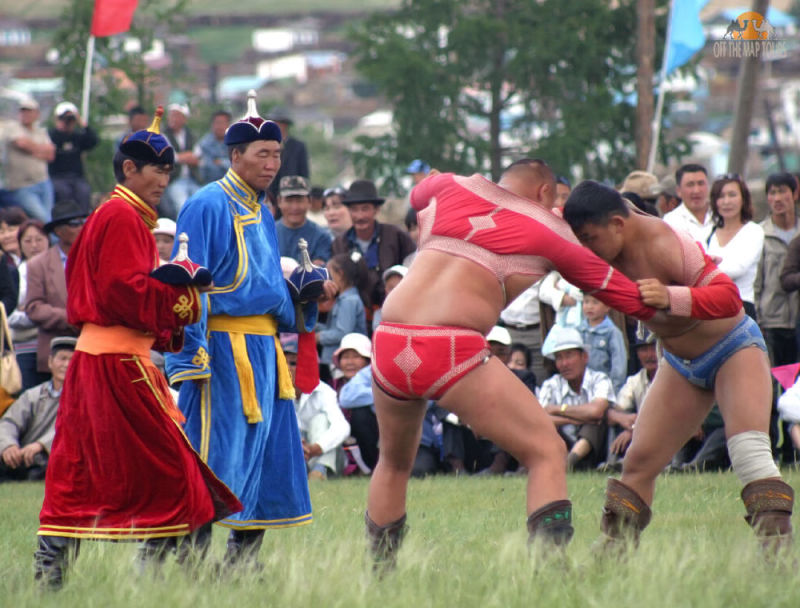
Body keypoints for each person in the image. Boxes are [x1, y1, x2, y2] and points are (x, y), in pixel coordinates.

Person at [365, 159, 660, 570]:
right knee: (545, 451)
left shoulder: (452, 186)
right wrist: (678, 301)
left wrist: (439, 182)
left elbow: (417, 194)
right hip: (447, 343)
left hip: (390, 339)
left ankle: (379, 572)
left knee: (393, 462)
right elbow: (619, 292)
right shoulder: (551, 231)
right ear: (544, 192)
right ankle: (550, 571)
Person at [34, 109, 242, 589]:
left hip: (99, 363)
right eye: (157, 170)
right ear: (130, 168)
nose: (164, 179)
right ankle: (174, 580)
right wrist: (184, 296)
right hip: (117, 368)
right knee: (179, 474)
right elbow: (123, 293)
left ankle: (58, 579)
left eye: (169, 171)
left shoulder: (110, 215)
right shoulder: (123, 216)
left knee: (80, 472)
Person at [563, 180, 793, 553]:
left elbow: (728, 298)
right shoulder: (601, 229)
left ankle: (778, 557)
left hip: (734, 347)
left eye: (590, 238)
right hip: (680, 361)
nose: (586, 248)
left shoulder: (664, 241)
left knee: (749, 452)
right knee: (638, 460)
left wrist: (672, 296)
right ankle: (611, 554)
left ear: (617, 225)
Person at [165, 92, 334, 568]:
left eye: (277, 155)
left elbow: (264, 285)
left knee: (266, 457)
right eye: (262, 154)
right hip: (220, 349)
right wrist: (188, 357)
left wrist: (300, 296)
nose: (272, 163)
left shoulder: (262, 209)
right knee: (213, 456)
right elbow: (187, 282)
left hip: (266, 352)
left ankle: (242, 561)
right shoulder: (206, 204)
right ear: (233, 155)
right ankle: (183, 559)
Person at [758, 173, 800, 461]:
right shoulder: (760, 234)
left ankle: (793, 448)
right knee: (769, 391)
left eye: (782, 191)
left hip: (798, 322)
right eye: (771, 193)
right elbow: (757, 282)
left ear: (794, 194)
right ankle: (772, 449)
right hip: (771, 321)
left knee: (796, 390)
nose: (777, 199)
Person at [331, 179, 416, 312]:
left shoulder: (396, 236)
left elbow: (413, 267)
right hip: (352, 314)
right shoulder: (339, 244)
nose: (360, 216)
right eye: (354, 210)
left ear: (376, 209)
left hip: (393, 310)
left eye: (365, 209)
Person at [25, 199, 87, 379]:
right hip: (55, 351)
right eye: (75, 223)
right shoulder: (38, 264)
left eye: (83, 222)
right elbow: (34, 307)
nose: (81, 227)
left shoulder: (94, 259)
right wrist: (71, 317)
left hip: (91, 346)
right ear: (59, 231)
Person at [538, 326, 614, 470]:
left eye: (569, 355)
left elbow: (596, 412)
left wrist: (558, 409)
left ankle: (569, 463)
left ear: (584, 357)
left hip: (594, 449)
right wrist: (577, 418)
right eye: (559, 357)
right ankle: (564, 462)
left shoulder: (599, 379)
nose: (564, 363)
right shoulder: (551, 384)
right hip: (562, 445)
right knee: (545, 427)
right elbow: (540, 418)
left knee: (595, 420)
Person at [0, 336, 75, 481]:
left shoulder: (83, 398)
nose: (66, 364)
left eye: (72, 360)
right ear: (50, 362)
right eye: (62, 358)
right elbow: (10, 422)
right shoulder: (33, 395)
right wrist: (9, 445)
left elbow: (75, 429)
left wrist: (41, 445)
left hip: (50, 457)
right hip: (22, 455)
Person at [283, 334, 350, 480]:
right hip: (290, 455)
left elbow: (342, 427)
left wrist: (315, 448)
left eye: (293, 363)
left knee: (320, 420)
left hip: (322, 456)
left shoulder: (323, 391)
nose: (287, 369)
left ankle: (319, 471)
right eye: (283, 363)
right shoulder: (272, 392)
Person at [705, 174, 763, 319]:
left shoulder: (753, 231)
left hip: (741, 306)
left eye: (732, 195)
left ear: (743, 199)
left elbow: (737, 269)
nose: (726, 201)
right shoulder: (708, 233)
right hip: (710, 306)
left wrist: (705, 267)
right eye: (721, 196)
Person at [601, 333, 658, 472]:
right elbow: (614, 410)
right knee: (618, 419)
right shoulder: (634, 381)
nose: (649, 355)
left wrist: (634, 429)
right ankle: (612, 462)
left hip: (662, 432)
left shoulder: (672, 378)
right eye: (644, 350)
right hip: (640, 432)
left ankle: (674, 464)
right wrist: (624, 421)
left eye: (653, 348)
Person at [7, 219, 49, 390]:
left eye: (39, 239)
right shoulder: (15, 273)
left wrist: (33, 310)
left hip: (54, 346)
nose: (34, 245)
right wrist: (42, 313)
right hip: (25, 348)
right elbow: (10, 315)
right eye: (28, 241)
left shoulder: (61, 268)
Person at [4, 98, 55, 222]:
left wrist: (32, 149)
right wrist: (40, 150)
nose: (25, 114)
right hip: (22, 185)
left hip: (43, 181)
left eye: (29, 111)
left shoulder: (41, 131)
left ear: (36, 114)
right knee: (44, 218)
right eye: (23, 111)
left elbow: (51, 155)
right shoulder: (13, 127)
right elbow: (22, 143)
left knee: (49, 217)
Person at [317, 252, 368, 372]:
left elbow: (343, 333)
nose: (327, 279)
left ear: (340, 274)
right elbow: (334, 327)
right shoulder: (344, 299)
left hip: (340, 364)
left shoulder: (348, 301)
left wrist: (319, 337)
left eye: (330, 273)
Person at [337, 333, 379, 471]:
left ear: (368, 361)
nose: (350, 362)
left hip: (376, 437)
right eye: (345, 357)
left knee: (361, 414)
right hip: (340, 441)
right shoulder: (333, 385)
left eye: (356, 356)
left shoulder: (377, 381)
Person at [47, 101, 99, 214]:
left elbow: (93, 141)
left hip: (76, 177)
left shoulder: (77, 137)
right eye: (64, 118)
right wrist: (60, 127)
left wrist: (82, 123)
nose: (67, 122)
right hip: (57, 177)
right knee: (64, 193)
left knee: (84, 192)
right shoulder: (51, 135)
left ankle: (83, 220)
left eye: (70, 119)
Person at [276, 175, 333, 263]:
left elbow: (318, 270)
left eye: (299, 200)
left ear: (309, 201)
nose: (294, 207)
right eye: (289, 201)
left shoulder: (321, 237)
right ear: (279, 201)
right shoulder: (267, 233)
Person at [579, 293, 627, 391]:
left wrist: (613, 390)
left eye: (595, 302)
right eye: (586, 301)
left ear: (607, 306)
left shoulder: (612, 332)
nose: (589, 307)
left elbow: (619, 367)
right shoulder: (578, 331)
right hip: (582, 387)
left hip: (605, 388)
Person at [162, 103, 200, 219]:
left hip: (193, 179)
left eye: (177, 115)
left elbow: (198, 155)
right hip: (175, 180)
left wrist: (180, 157)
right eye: (172, 115)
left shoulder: (191, 134)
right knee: (182, 205)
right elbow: (169, 156)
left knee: (202, 202)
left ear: (184, 118)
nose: (173, 119)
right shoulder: (164, 135)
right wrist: (184, 157)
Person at [662, 163, 713, 245]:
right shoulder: (671, 221)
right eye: (690, 185)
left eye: (701, 183)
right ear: (678, 191)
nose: (696, 190)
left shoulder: (722, 215)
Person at [268, 106, 309, 202]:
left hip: (292, 195)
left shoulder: (298, 147)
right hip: (271, 197)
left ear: (285, 125)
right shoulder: (266, 145)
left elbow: (304, 174)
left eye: (277, 122)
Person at [196, 110, 232, 184]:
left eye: (223, 123)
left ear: (229, 125)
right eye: (217, 123)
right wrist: (227, 164)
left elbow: (238, 166)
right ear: (212, 125)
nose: (220, 126)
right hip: (210, 183)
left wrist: (221, 162)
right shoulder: (205, 143)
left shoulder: (235, 142)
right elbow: (207, 167)